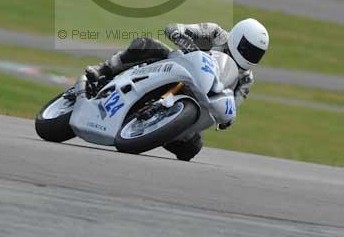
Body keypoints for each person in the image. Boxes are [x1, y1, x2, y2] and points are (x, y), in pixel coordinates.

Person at [86, 18, 269, 161]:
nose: (249, 55)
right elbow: (174, 29)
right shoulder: (215, 33)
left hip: (197, 103)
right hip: (176, 69)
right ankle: (103, 69)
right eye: (248, 49)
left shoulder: (246, 79)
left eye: (256, 54)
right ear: (238, 37)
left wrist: (227, 118)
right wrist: (195, 53)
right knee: (146, 44)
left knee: (191, 150)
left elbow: (233, 106)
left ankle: (156, 127)